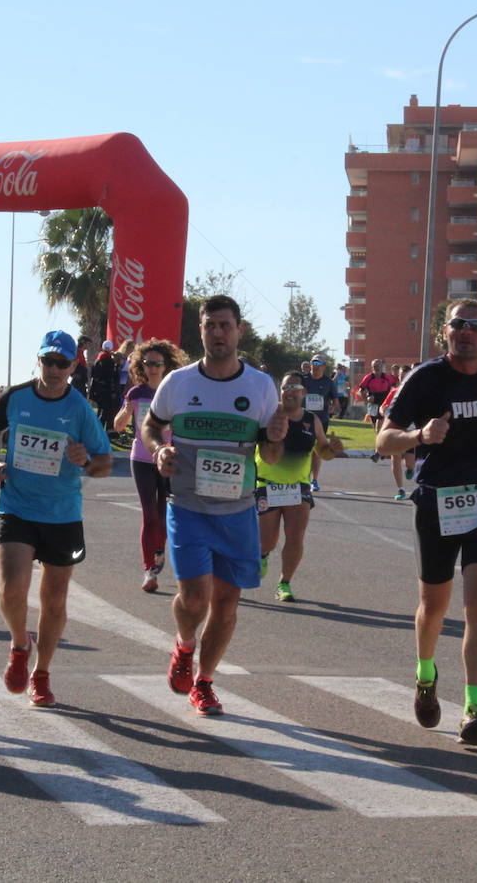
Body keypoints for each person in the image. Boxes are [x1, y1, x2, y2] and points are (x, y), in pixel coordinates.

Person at [377, 299, 477, 746]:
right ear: (445, 333)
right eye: (457, 325)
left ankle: (474, 709)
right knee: (434, 606)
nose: (466, 332)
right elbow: (383, 440)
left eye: (475, 326)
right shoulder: (425, 378)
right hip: (436, 500)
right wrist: (419, 436)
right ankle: (425, 674)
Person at [142, 296, 287, 716]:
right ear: (201, 331)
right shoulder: (179, 383)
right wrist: (159, 451)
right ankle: (185, 646)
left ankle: (204, 681)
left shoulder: (259, 386)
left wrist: (275, 437)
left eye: (225, 325)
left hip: (237, 510)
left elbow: (272, 457)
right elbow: (152, 425)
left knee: (226, 604)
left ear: (239, 330)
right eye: (210, 326)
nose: (218, 333)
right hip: (187, 506)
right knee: (194, 598)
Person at [0, 331, 113, 707]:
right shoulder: (16, 397)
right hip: (17, 506)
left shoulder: (79, 409)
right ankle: (20, 645)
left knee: (54, 597)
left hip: (62, 513)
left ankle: (42, 673)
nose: (55, 369)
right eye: (48, 361)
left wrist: (85, 461)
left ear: (74, 366)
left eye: (63, 363)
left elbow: (104, 463)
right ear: (38, 360)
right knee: (11, 589)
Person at [255, 371, 345, 601]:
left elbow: (322, 451)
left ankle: (284, 583)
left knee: (296, 536)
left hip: (298, 488)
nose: (289, 392)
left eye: (295, 387)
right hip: (268, 485)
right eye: (285, 387)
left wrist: (333, 449)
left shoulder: (312, 420)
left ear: (304, 393)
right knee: (268, 540)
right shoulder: (268, 413)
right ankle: (263, 554)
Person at [113, 338, 187, 593]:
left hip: (168, 459)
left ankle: (159, 550)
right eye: (148, 363)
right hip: (142, 458)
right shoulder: (136, 393)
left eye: (158, 363)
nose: (153, 367)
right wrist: (125, 411)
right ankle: (149, 570)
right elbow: (118, 425)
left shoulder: (174, 393)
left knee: (164, 513)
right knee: (148, 513)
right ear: (140, 366)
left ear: (166, 366)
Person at [300, 356, 337, 492]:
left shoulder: (328, 382)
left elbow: (335, 401)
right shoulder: (303, 379)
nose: (315, 365)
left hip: (321, 420)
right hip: (302, 419)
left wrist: (333, 408)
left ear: (324, 366)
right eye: (313, 362)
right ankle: (303, 478)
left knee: (317, 451)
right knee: (303, 449)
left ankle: (314, 480)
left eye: (318, 363)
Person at [380, 366, 415, 501]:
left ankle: (410, 468)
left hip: (410, 432)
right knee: (396, 459)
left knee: (410, 463)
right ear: (399, 377)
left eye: (407, 375)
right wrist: (385, 413)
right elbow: (383, 407)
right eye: (402, 376)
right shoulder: (394, 391)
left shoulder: (415, 392)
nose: (404, 378)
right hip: (395, 430)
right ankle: (400, 489)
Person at [357, 359, 396, 464]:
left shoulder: (387, 377)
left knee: (380, 427)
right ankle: (383, 449)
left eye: (378, 365)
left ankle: (378, 452)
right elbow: (361, 390)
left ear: (381, 366)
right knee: (376, 428)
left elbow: (394, 388)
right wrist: (366, 399)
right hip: (373, 405)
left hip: (384, 405)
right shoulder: (368, 377)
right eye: (374, 365)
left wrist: (392, 401)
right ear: (371, 367)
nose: (376, 367)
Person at [90, 340, 120, 435]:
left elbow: (93, 375)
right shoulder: (109, 361)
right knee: (107, 410)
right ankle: (103, 430)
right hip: (106, 390)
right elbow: (111, 377)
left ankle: (98, 430)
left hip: (98, 389)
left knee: (101, 409)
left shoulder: (98, 360)